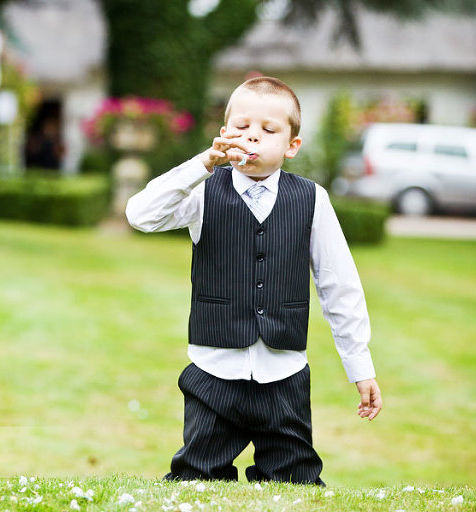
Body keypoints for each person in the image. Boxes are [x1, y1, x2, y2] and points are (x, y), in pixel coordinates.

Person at [125, 76, 382, 485]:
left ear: (291, 146)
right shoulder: (204, 192)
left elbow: (339, 285)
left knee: (297, 483)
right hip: (214, 371)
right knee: (197, 480)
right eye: (241, 127)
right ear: (224, 134)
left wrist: (360, 365)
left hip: (284, 374)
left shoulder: (312, 199)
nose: (252, 138)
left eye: (268, 130)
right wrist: (202, 164)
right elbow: (140, 215)